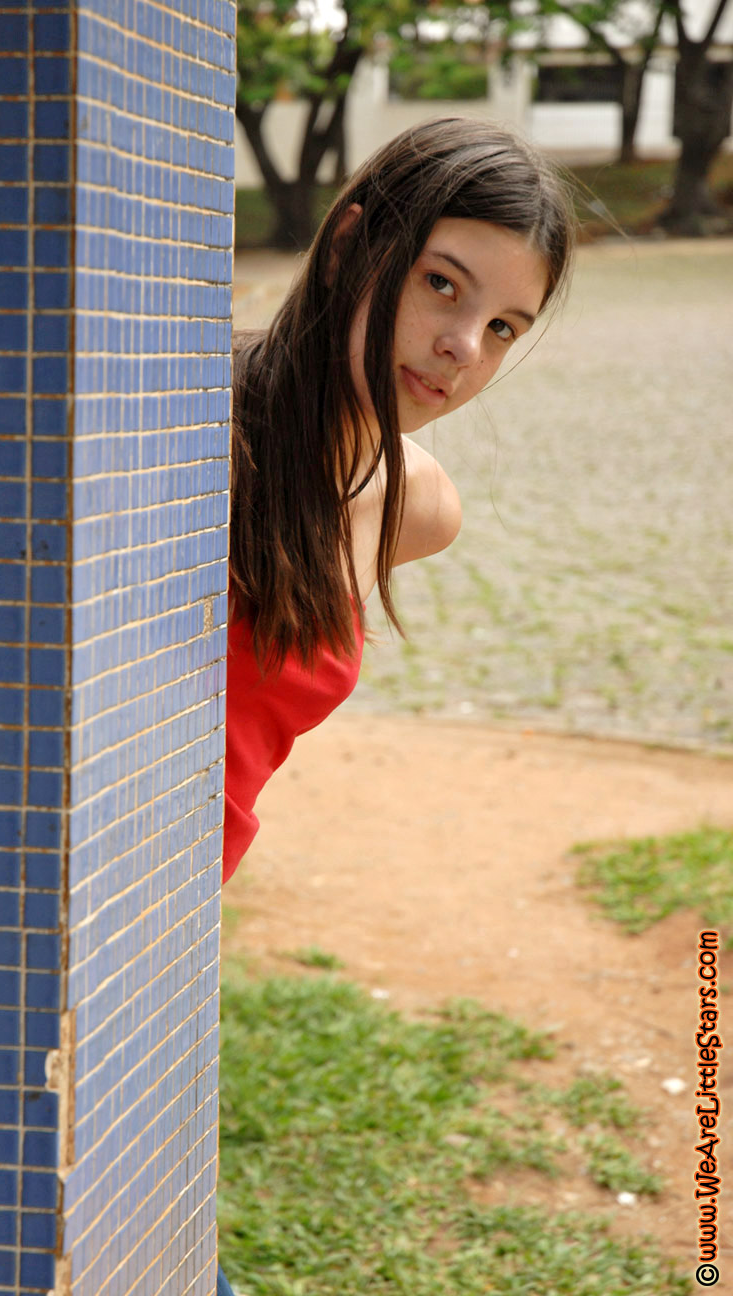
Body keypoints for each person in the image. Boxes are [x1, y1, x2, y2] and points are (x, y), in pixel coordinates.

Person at [217, 116, 577, 1292]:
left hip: (173, 920)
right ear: (350, 248)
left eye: (505, 326)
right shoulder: (192, 440)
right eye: (442, 284)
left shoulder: (416, 506)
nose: (463, 347)